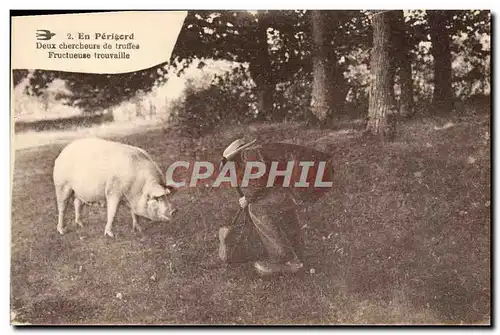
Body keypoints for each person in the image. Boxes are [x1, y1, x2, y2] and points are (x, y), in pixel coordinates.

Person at [217, 138, 334, 276]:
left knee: (257, 208)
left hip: (309, 178)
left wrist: (248, 198)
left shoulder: (249, 154)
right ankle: (298, 252)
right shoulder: (259, 151)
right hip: (317, 173)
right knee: (277, 203)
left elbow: (260, 180)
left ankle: (285, 260)